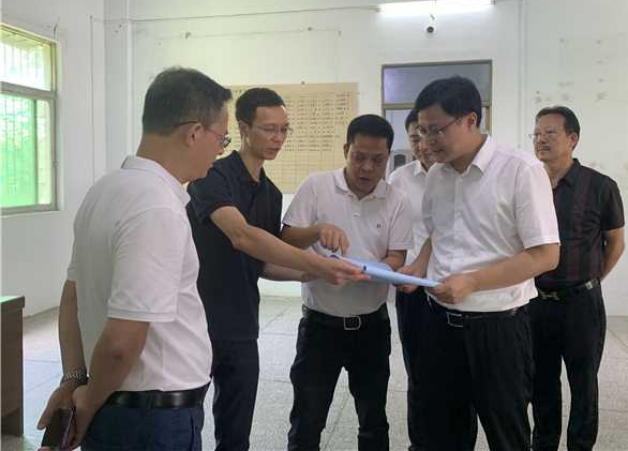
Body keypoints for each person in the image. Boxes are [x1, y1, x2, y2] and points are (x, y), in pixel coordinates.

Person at [36, 67, 232, 450]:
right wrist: (88, 402)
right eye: (221, 138)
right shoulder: (156, 207)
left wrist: (75, 380)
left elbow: (72, 296)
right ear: (194, 133)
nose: (220, 150)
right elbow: (121, 341)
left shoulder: (105, 190)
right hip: (151, 420)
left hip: (118, 405)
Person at [186, 88, 364, 451]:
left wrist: (311, 272)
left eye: (284, 129)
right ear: (243, 128)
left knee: (236, 433)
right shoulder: (212, 176)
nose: (278, 138)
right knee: (185, 426)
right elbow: (242, 236)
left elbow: (263, 263)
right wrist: (316, 262)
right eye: (269, 129)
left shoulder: (270, 193)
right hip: (195, 323)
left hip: (241, 326)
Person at [400, 76, 560, 450]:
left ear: (470, 120)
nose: (427, 141)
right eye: (422, 131)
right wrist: (418, 267)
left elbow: (546, 255)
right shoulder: (437, 174)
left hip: (498, 330)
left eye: (436, 130)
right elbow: (437, 233)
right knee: (443, 433)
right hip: (439, 324)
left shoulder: (520, 170)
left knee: (506, 433)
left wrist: (473, 281)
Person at [282, 114, 414, 451]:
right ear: (346, 150)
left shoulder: (396, 199)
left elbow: (397, 257)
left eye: (377, 160)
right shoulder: (317, 186)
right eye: (359, 157)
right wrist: (316, 231)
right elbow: (287, 239)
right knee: (307, 420)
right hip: (319, 327)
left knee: (373, 419)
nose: (367, 167)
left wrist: (372, 270)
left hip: (371, 327)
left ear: (388, 157)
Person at [530, 106, 625, 451]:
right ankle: (543, 444)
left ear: (572, 139)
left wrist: (592, 279)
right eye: (536, 133)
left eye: (550, 133)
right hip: (536, 302)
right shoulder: (529, 184)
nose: (541, 139)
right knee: (541, 382)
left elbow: (616, 242)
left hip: (581, 305)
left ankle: (580, 446)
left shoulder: (600, 186)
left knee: (583, 384)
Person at [387, 108, 437, 451]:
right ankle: (419, 443)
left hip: (451, 289)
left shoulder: (458, 175)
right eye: (414, 138)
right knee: (417, 370)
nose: (421, 144)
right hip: (413, 288)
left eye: (427, 135)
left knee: (454, 372)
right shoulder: (400, 179)